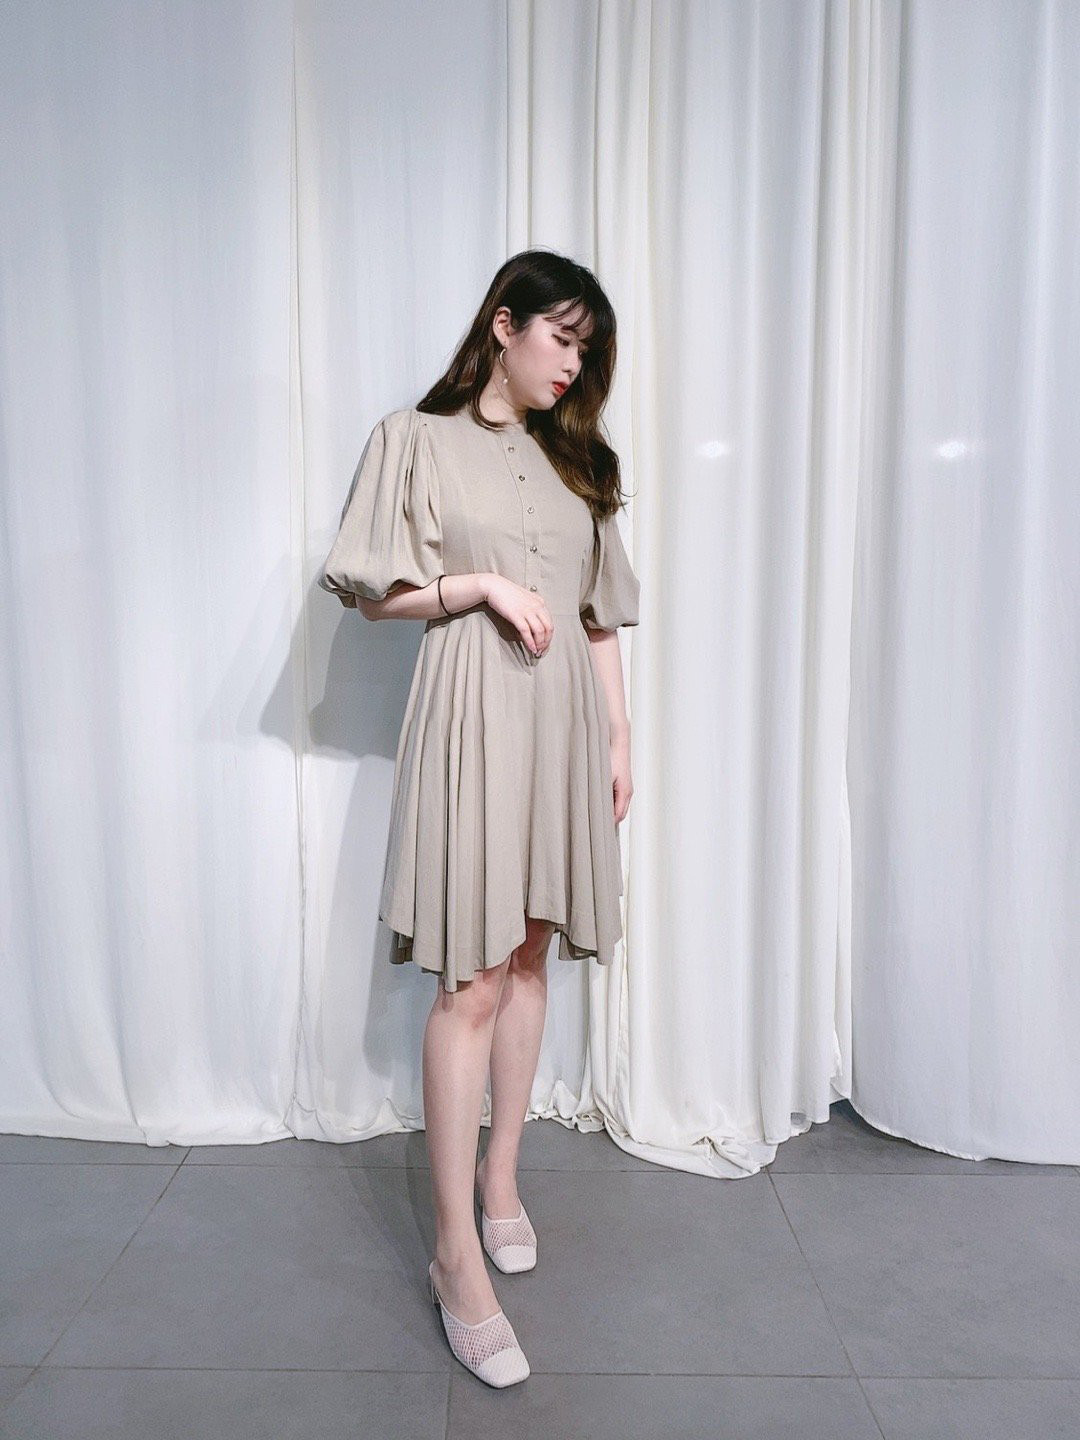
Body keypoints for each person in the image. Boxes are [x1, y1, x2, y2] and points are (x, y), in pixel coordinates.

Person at [319, 248, 641, 1387]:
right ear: (503, 325)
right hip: (471, 720)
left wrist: (618, 738)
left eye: (587, 351)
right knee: (471, 975)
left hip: (563, 731)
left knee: (532, 952)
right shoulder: (414, 440)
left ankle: (502, 1180)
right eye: (562, 338)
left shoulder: (579, 459)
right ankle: (456, 1254)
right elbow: (371, 591)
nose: (573, 365)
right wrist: (482, 586)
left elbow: (599, 616)